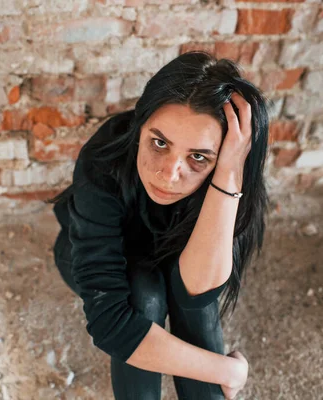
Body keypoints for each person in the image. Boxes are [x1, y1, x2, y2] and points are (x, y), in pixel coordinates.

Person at [47, 51, 270, 400]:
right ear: (141, 125)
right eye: (159, 142)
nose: (169, 174)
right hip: (87, 256)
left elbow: (195, 293)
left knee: (185, 298)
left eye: (198, 157)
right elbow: (111, 324)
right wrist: (226, 369)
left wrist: (227, 173)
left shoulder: (231, 176)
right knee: (145, 295)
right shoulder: (104, 157)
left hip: (176, 261)